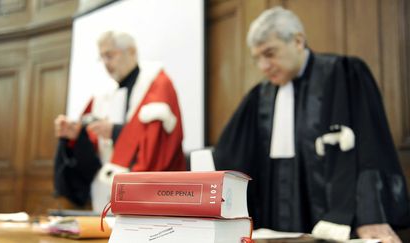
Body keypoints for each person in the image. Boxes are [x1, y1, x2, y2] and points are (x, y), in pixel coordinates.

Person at [213, 6, 410, 243]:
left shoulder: (344, 75)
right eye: (257, 58)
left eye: (270, 53)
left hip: (332, 217)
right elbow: (229, 154)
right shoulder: (259, 96)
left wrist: (371, 214)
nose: (263, 66)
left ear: (297, 41)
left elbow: (370, 148)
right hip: (274, 220)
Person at [54, 31, 186, 209]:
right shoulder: (103, 94)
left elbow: (158, 145)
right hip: (106, 196)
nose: (106, 64)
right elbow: (92, 155)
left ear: (131, 51)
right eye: (102, 58)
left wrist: (115, 131)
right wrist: (77, 136)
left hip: (155, 200)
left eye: (110, 55)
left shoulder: (157, 85)